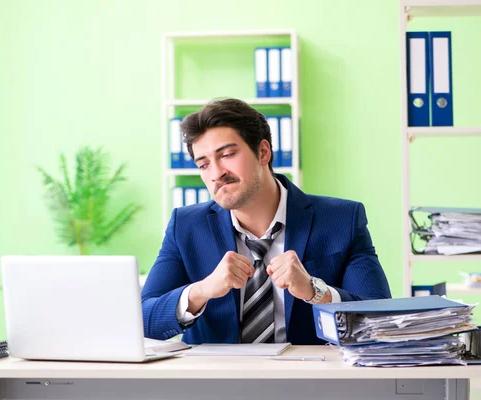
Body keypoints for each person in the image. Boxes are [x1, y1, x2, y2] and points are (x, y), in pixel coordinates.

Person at [141, 98, 391, 345]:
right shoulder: (185, 226)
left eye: (227, 154)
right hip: (217, 381)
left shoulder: (341, 219)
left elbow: (381, 319)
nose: (216, 174)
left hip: (307, 378)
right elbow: (143, 318)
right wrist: (201, 291)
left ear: (263, 152)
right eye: (204, 164)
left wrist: (315, 291)